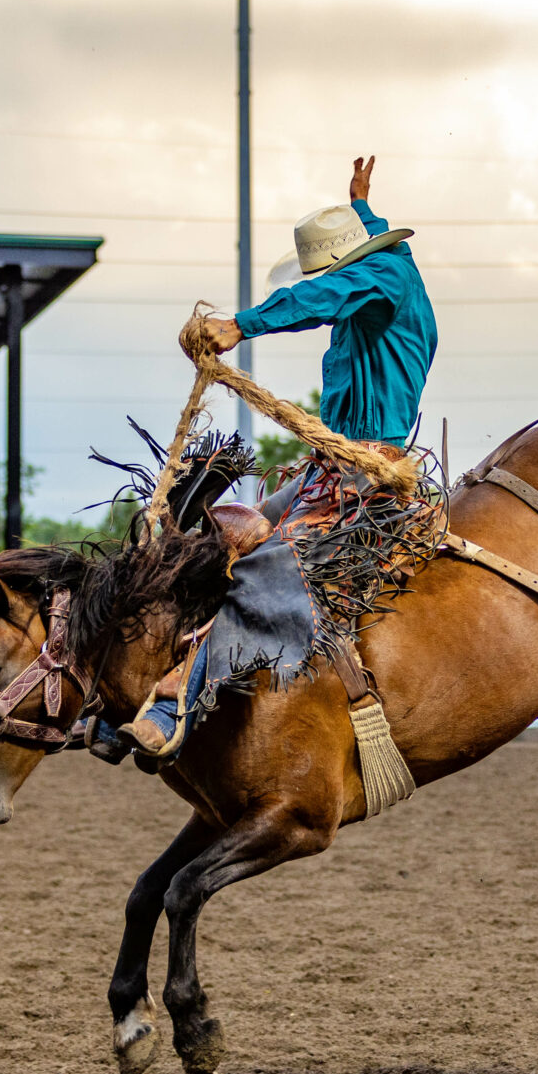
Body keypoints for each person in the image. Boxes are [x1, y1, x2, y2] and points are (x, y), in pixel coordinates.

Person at [122, 155, 437, 759]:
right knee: (223, 535)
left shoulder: (381, 281)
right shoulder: (389, 270)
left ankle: (173, 700)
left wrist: (242, 325)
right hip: (335, 466)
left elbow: (326, 293)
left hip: (365, 470)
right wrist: (363, 205)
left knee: (267, 566)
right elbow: (350, 269)